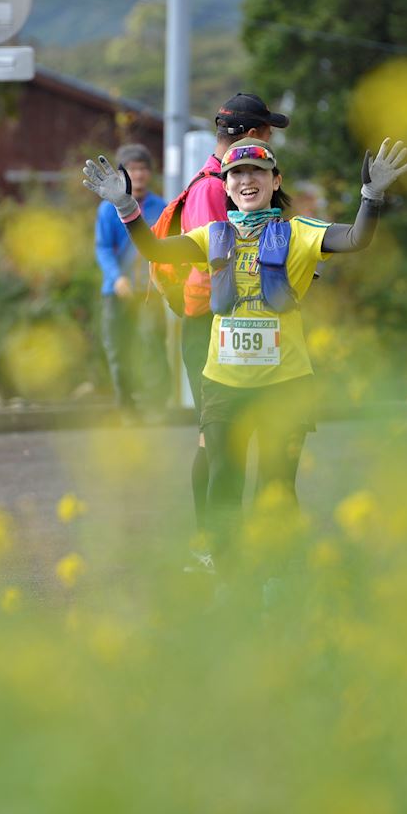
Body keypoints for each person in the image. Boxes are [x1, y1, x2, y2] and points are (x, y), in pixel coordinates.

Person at [83, 136, 407, 569]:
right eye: (236, 173)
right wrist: (126, 207)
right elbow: (155, 250)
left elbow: (355, 239)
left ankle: (277, 577)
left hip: (285, 385)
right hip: (223, 384)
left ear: (275, 181)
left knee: (276, 487)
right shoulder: (211, 235)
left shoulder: (298, 233)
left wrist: (372, 196)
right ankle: (229, 576)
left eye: (257, 171)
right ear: (226, 185)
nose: (246, 179)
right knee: (223, 481)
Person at [152, 94, 292, 556]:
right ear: (253, 137)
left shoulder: (205, 181)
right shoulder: (220, 189)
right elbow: (227, 262)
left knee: (218, 440)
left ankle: (220, 547)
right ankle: (212, 547)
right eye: (269, 133)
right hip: (216, 326)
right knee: (214, 442)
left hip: (217, 323)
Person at [95, 143, 170, 417]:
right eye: (132, 170)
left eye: (142, 169)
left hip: (150, 290)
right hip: (117, 292)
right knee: (119, 349)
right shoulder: (107, 209)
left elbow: (167, 245)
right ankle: (127, 409)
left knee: (154, 344)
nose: (138, 175)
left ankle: (158, 406)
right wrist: (116, 278)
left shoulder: (161, 206)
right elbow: (103, 247)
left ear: (150, 173)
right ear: (121, 174)